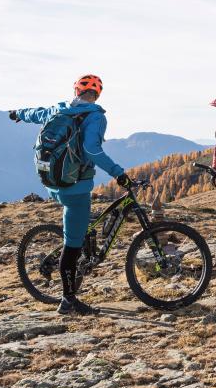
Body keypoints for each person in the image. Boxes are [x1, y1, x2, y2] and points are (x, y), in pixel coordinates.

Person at [10, 74, 130, 315]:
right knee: (72, 244)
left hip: (52, 182)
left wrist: (18, 113)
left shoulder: (59, 109)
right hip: (75, 187)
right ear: (98, 94)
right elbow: (91, 150)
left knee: (82, 228)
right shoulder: (95, 116)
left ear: (76, 91)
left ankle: (82, 249)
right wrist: (119, 174)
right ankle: (68, 301)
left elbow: (36, 113)